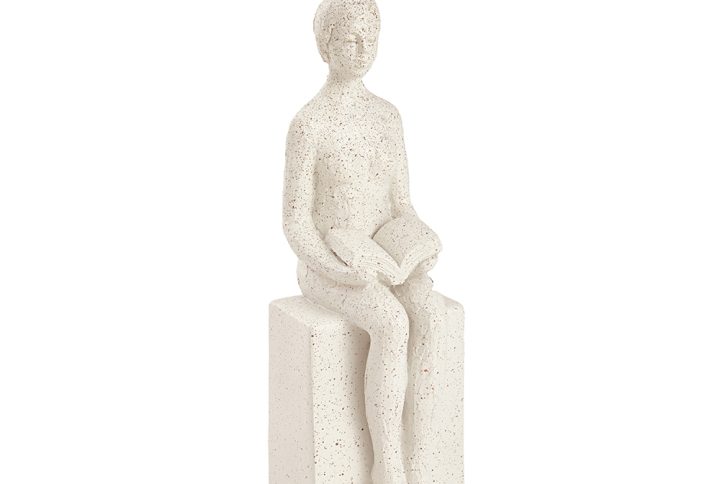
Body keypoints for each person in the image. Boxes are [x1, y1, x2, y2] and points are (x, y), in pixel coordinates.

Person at [282, 1, 447, 482]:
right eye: (349, 39)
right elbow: (295, 222)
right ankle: (386, 462)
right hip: (331, 262)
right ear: (324, 45)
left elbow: (402, 205)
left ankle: (422, 448)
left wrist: (418, 244)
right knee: (391, 322)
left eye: (369, 39)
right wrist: (337, 268)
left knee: (429, 310)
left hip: (383, 256)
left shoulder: (387, 117)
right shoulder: (310, 123)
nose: (361, 49)